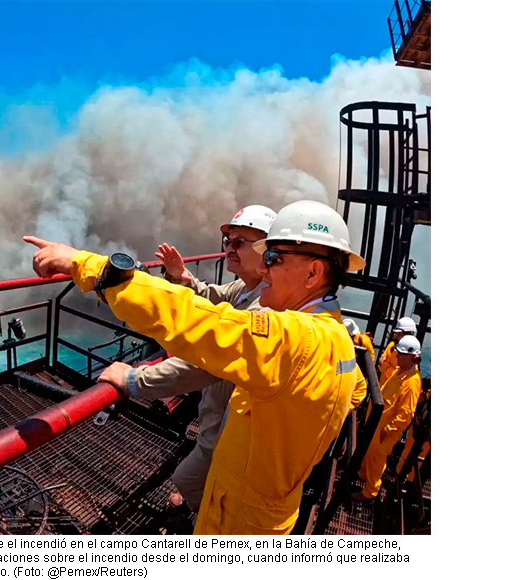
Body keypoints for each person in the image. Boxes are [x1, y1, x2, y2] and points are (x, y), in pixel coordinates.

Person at [25, 198, 365, 534]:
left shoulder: (294, 339)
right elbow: (354, 393)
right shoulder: (337, 335)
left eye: (273, 258)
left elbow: (193, 322)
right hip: (258, 506)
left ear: (313, 273)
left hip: (237, 521)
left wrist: (91, 268)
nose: (264, 268)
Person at [98, 205, 276, 511]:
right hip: (220, 410)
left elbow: (201, 364)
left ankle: (205, 525)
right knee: (204, 474)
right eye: (228, 242)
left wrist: (131, 379)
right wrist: (183, 278)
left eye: (240, 242)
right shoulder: (248, 288)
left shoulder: (266, 307)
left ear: (269, 251)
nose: (229, 249)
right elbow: (211, 296)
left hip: (232, 421)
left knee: (187, 478)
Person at [353, 335, 423, 501]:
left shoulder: (412, 382)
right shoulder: (400, 372)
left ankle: (370, 492)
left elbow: (406, 414)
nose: (396, 356)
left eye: (401, 354)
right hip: (378, 425)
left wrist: (388, 430)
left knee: (377, 459)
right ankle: (363, 474)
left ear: (412, 357)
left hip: (385, 431)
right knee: (369, 453)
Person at [378, 317, 417, 384]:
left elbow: (398, 375)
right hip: (382, 387)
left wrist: (384, 365)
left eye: (399, 333)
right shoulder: (391, 346)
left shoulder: (410, 353)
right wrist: (386, 367)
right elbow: (380, 364)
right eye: (396, 333)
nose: (396, 335)